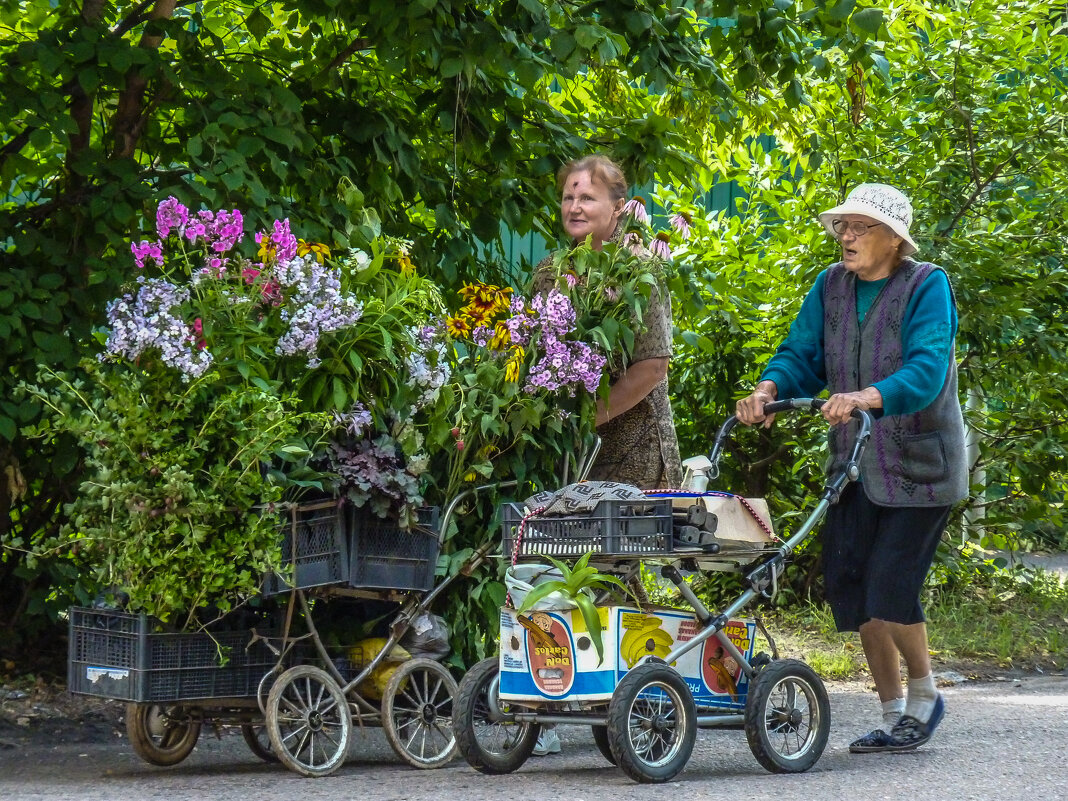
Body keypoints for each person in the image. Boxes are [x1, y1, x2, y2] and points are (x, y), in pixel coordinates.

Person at [735, 183, 967, 753]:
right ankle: (892, 714)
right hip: (857, 463)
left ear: (895, 239)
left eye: (861, 227)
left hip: (921, 466)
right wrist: (769, 389)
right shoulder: (831, 286)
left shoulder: (926, 285)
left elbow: (927, 368)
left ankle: (925, 693)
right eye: (843, 225)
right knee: (852, 584)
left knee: (891, 582)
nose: (846, 235)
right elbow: (802, 355)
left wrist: (866, 396)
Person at [529, 155, 684, 756]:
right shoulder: (550, 274)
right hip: (567, 448)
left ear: (617, 208)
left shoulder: (640, 270)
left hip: (632, 445)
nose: (574, 207)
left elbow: (651, 367)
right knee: (557, 564)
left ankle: (628, 699)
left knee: (607, 568)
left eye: (587, 198)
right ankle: (567, 697)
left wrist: (587, 416)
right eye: (568, 196)